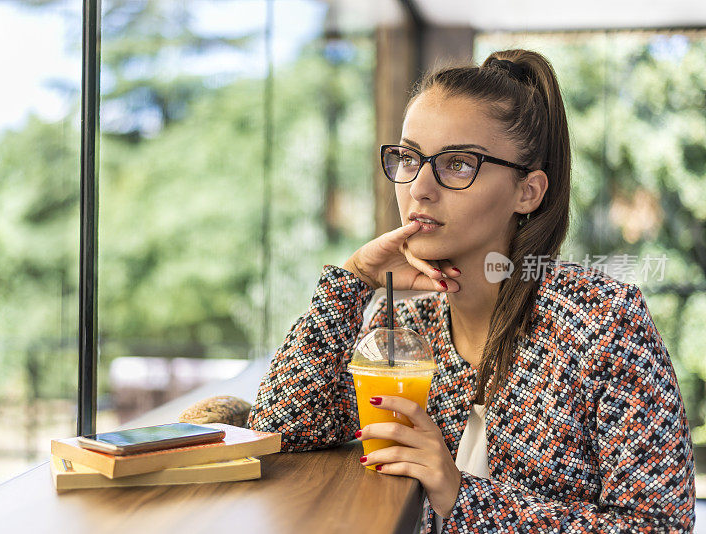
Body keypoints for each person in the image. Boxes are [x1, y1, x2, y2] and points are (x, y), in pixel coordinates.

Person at [247, 49, 695, 532]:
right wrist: (353, 279)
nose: (419, 187)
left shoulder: (602, 323)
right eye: (410, 157)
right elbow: (280, 431)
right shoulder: (405, 325)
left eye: (458, 164)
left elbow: (660, 526)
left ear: (529, 191)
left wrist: (461, 494)